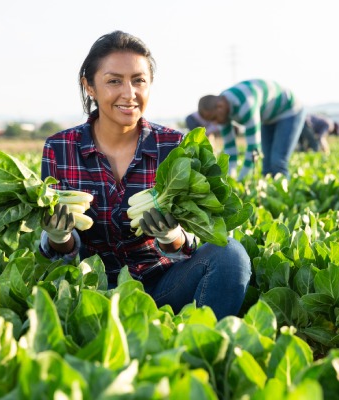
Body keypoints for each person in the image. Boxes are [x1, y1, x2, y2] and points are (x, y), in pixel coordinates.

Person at [38, 30, 251, 320]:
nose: (129, 93)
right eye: (114, 81)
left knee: (230, 256)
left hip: (164, 285)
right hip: (92, 292)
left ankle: (199, 347)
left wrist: (173, 235)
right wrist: (59, 235)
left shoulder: (174, 146)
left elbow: (194, 235)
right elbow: (61, 253)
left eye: (139, 80)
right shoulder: (60, 147)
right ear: (89, 86)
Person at [198, 79, 306, 181]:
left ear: (220, 106)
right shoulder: (221, 112)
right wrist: (229, 181)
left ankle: (284, 196)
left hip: (289, 110)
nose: (215, 123)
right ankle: (269, 196)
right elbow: (230, 151)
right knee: (267, 167)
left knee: (277, 162)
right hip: (268, 117)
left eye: (214, 118)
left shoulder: (245, 105)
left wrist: (240, 181)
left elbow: (254, 149)